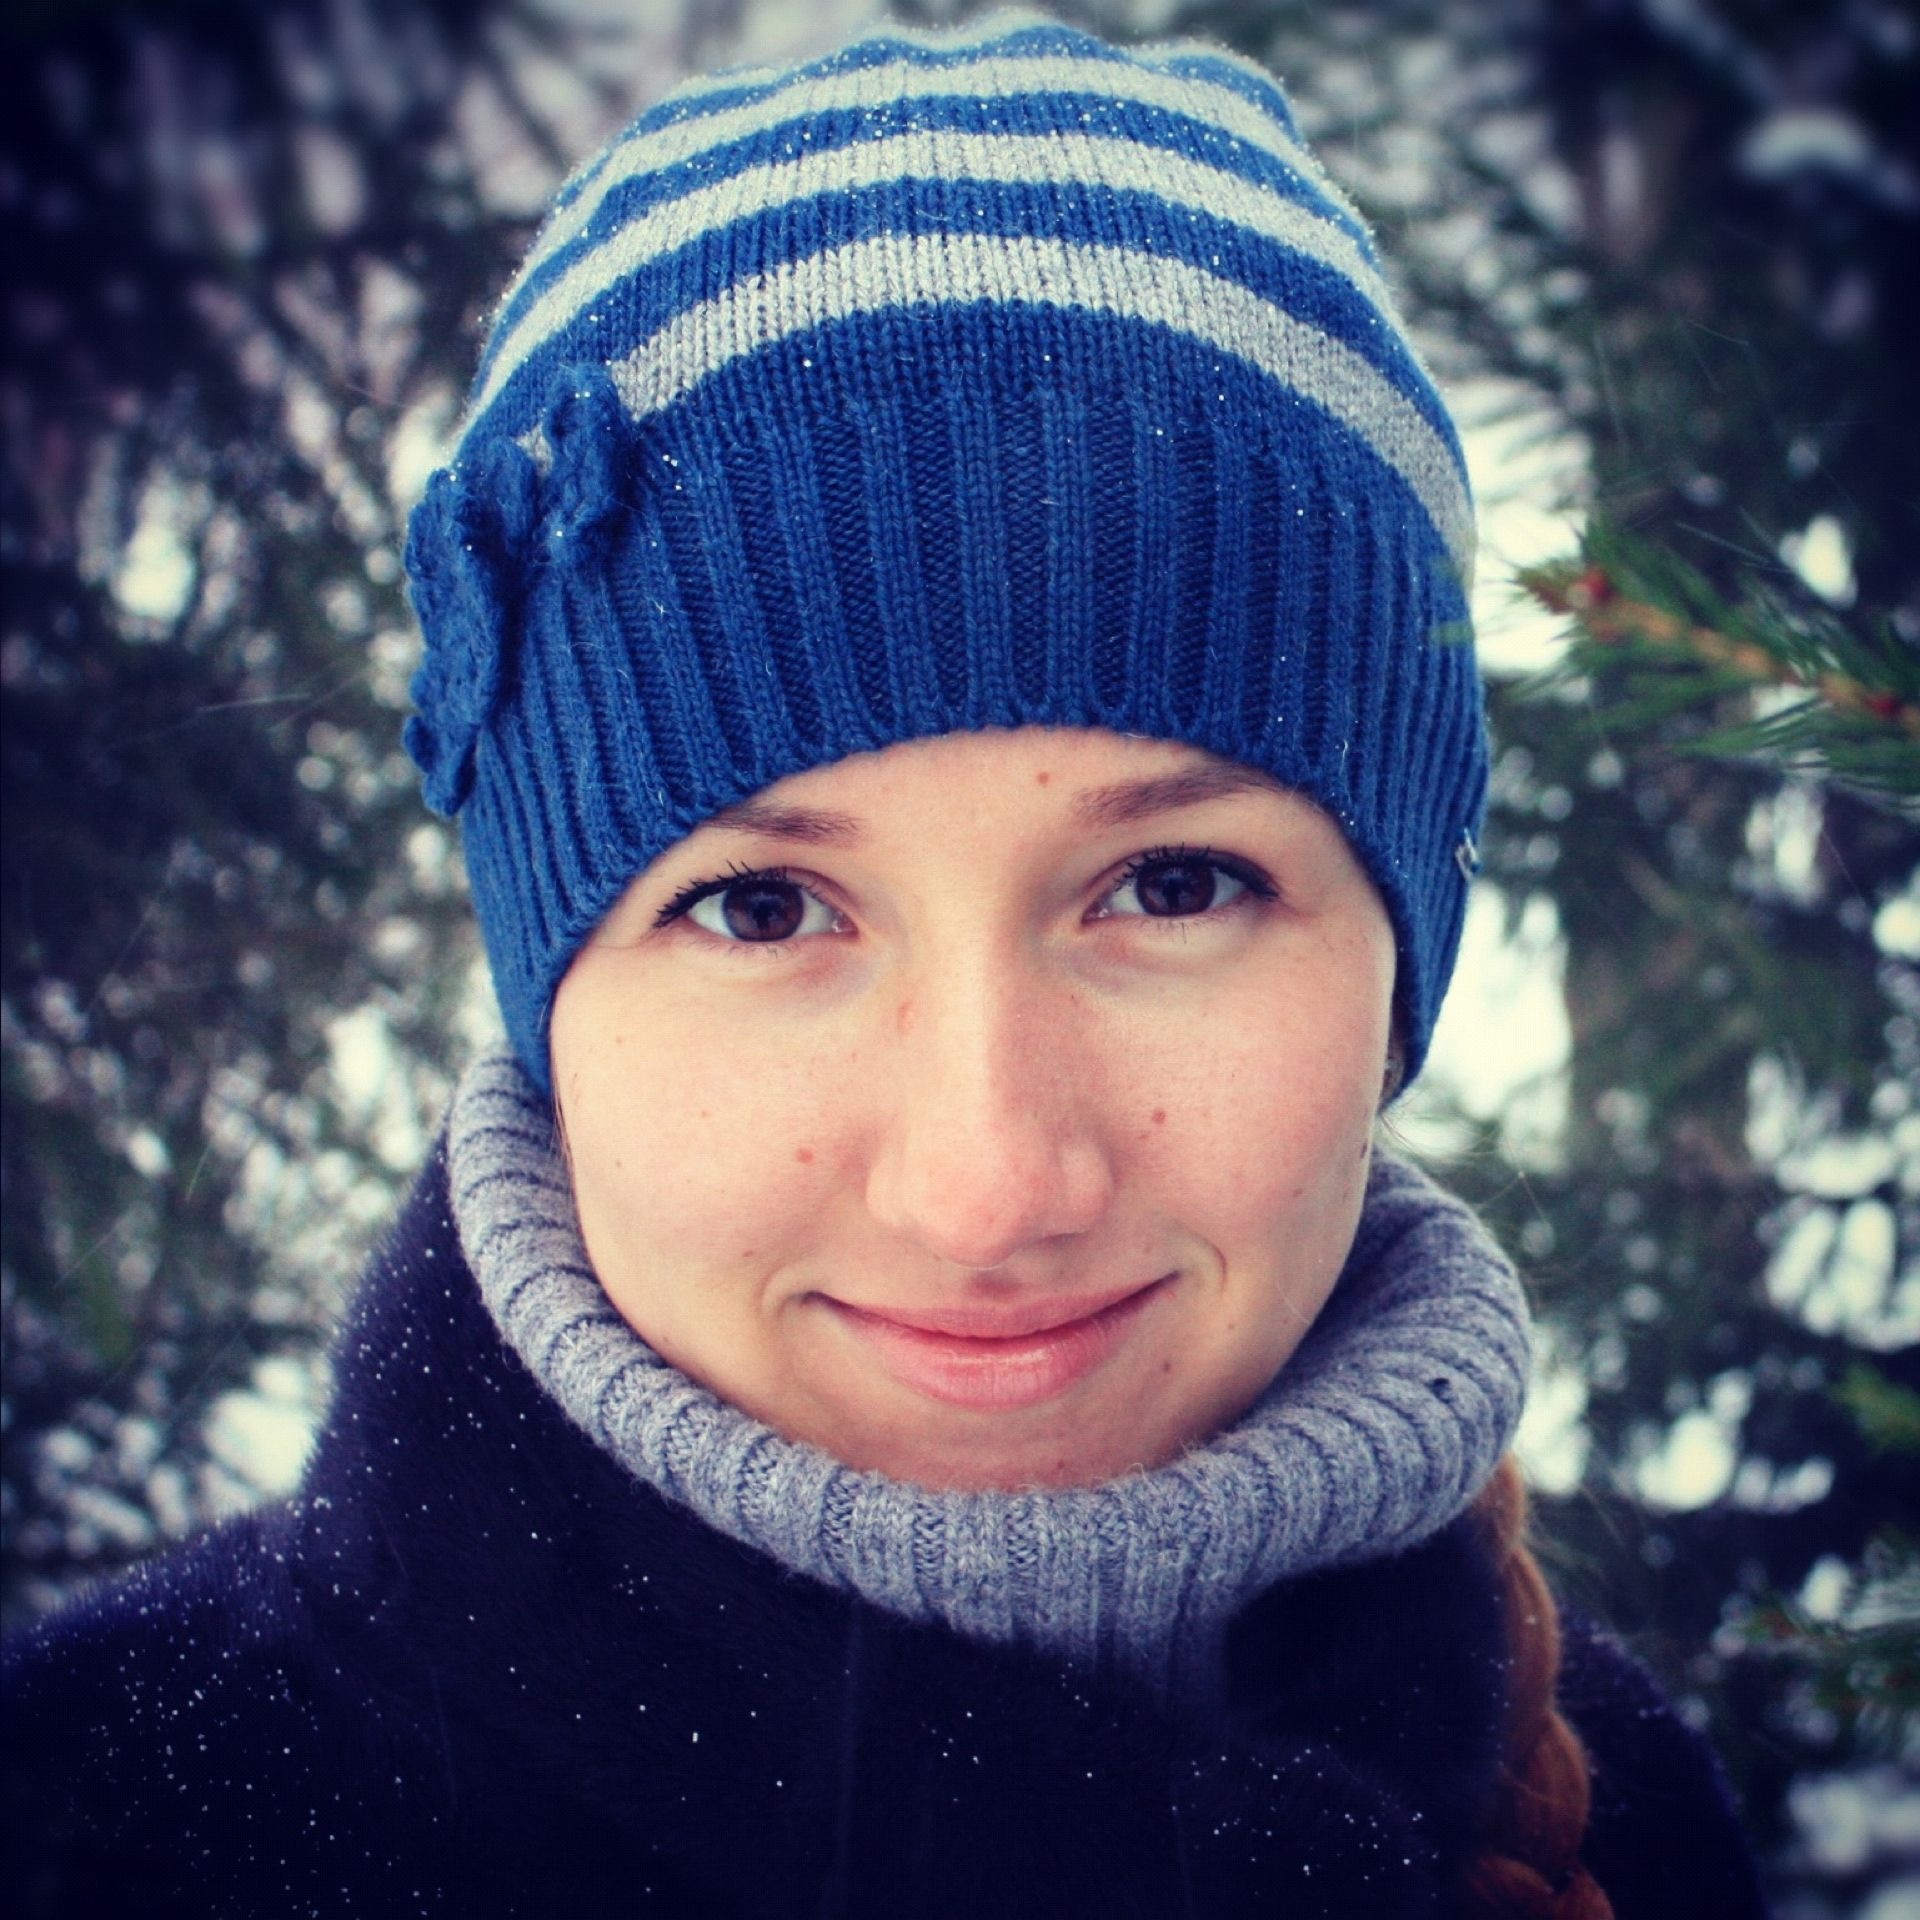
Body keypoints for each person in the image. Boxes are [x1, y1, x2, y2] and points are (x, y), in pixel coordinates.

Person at [4, 13, 1767, 1917]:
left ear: (1396, 970)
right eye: (762, 910)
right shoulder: (111, 1830)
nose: (987, 1186)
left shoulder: (1620, 1808)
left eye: (1174, 884)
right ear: (549, 1003)